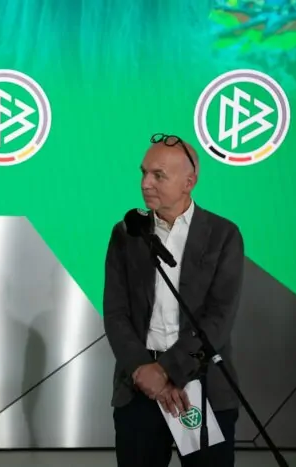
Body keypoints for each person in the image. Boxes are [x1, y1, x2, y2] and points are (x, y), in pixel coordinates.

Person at [103, 133, 244, 467]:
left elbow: (218, 319)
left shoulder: (223, 235)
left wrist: (167, 372)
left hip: (202, 384)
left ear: (188, 183)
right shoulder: (126, 233)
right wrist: (144, 370)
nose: (145, 183)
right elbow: (116, 313)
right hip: (138, 386)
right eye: (143, 172)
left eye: (158, 175)